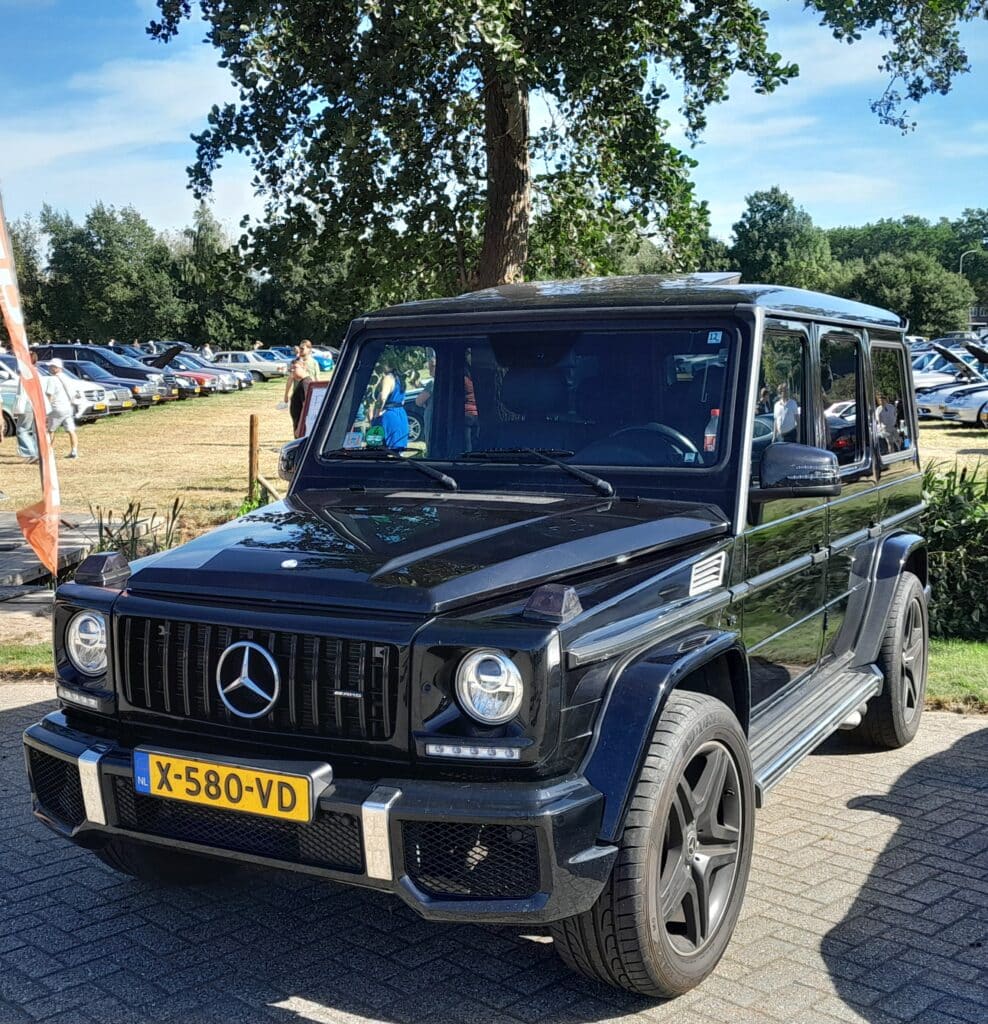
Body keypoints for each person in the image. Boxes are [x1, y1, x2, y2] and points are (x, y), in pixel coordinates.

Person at [42, 358, 80, 459]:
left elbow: (49, 395)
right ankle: (74, 451)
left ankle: (49, 452)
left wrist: (45, 410)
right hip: (68, 407)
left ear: (56, 368)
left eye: (51, 366)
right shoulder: (66, 377)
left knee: (50, 430)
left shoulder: (52, 379)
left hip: (57, 407)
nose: (49, 368)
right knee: (71, 430)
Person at [378, 365, 408, 448]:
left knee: (386, 448)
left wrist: (378, 411)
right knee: (399, 447)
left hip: (389, 415)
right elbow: (403, 400)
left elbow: (383, 397)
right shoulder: (400, 379)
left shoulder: (388, 378)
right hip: (401, 414)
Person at [287, 359, 312, 436]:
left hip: (302, 427)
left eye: (295, 368)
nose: (293, 370)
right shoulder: (302, 382)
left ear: (304, 368)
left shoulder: (305, 383)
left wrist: (300, 427)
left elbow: (306, 407)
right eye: (291, 369)